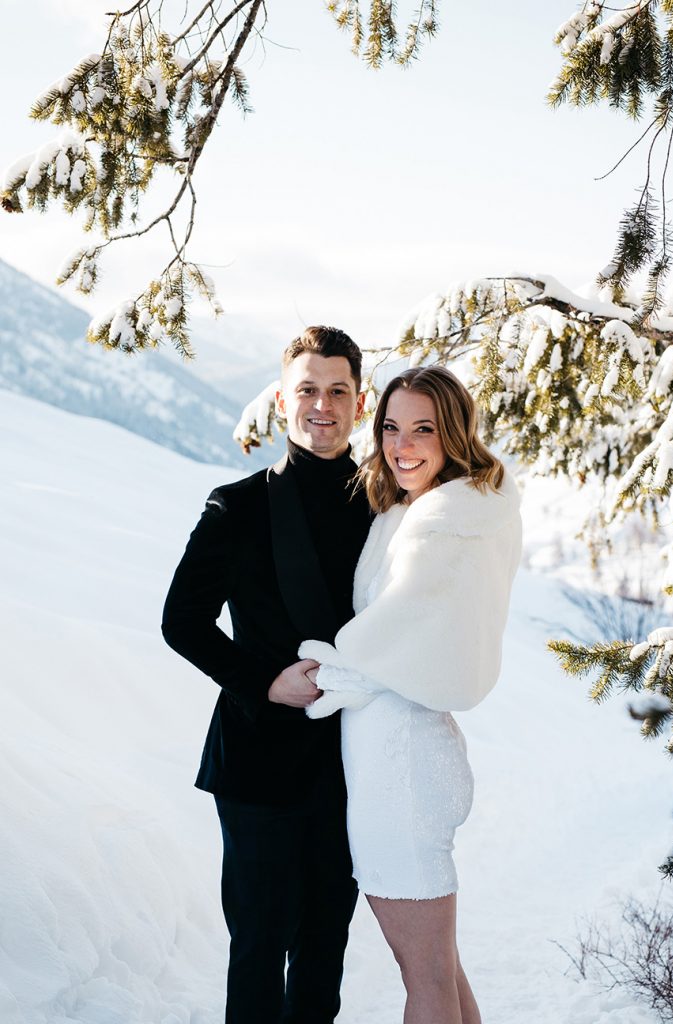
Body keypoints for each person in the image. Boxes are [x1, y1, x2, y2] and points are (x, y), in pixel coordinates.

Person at [161, 326, 372, 1024]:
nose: (322, 404)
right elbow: (181, 622)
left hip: (352, 760)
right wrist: (264, 681)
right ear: (282, 401)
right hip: (256, 761)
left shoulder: (388, 509)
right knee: (258, 943)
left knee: (324, 944)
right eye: (307, 389)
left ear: (359, 401)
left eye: (337, 390)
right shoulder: (237, 505)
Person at [300, 365, 522, 1024]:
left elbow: (387, 640)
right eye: (391, 427)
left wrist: (322, 673)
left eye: (422, 429)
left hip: (398, 767)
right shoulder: (431, 511)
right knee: (438, 969)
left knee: (423, 977)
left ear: (452, 433)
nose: (402, 445)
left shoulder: (442, 528)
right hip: (406, 753)